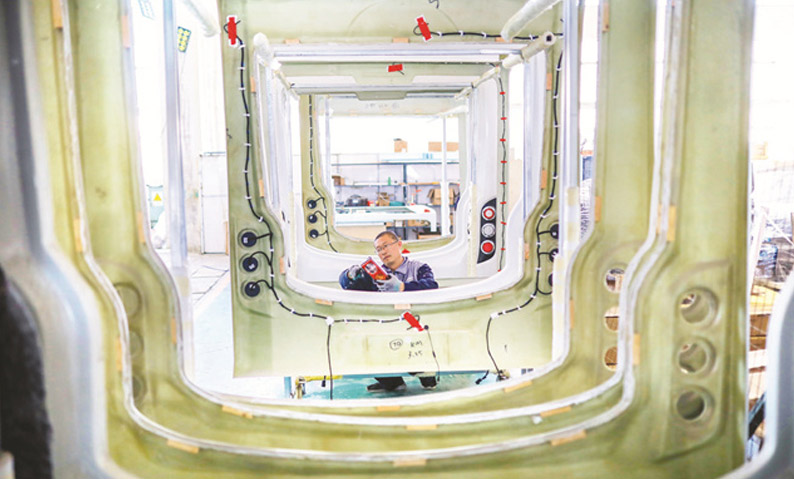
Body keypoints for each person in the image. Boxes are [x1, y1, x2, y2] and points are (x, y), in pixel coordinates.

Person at [339, 231, 439, 392]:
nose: (383, 252)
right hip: (383, 328)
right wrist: (349, 275)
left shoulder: (419, 268)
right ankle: (392, 383)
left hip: (414, 328)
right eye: (378, 249)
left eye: (386, 246)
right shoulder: (375, 274)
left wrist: (402, 287)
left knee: (428, 381)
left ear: (399, 244)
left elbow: (432, 286)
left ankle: (427, 377)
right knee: (366, 347)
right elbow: (348, 286)